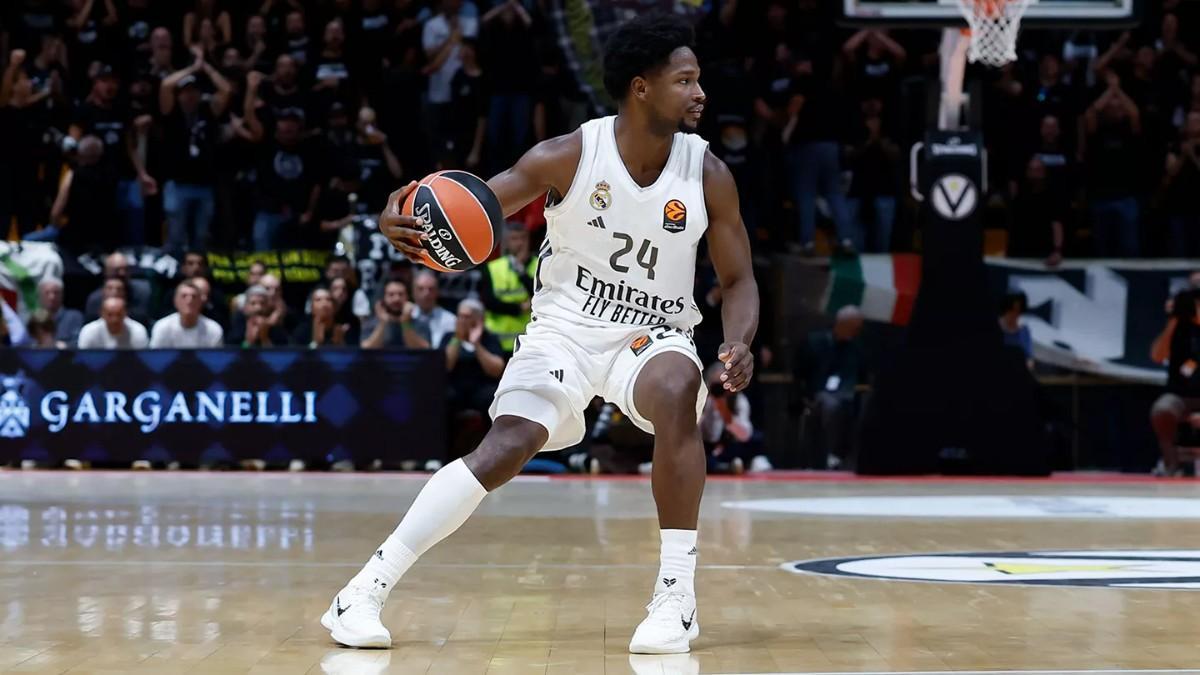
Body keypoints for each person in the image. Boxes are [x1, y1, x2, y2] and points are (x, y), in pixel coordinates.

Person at [323, 15, 758, 656]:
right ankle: (363, 591)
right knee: (507, 446)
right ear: (641, 88)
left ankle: (676, 597)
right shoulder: (568, 156)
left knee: (676, 385)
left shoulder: (707, 173)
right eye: (685, 80)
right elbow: (474, 206)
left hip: (654, 332)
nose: (700, 94)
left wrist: (739, 340)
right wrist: (407, 213)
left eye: (699, 80)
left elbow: (740, 278)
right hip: (565, 329)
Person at [1150, 281, 1200, 477]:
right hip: (1180, 396)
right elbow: (1157, 356)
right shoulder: (1178, 327)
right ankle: (1171, 465)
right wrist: (1172, 321)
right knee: (1163, 409)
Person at [481, 222, 535, 354]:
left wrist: (521, 272)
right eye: (514, 238)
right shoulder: (493, 267)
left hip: (529, 341)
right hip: (497, 341)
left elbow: (541, 296)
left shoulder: (540, 264)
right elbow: (489, 302)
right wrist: (519, 308)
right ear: (506, 242)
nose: (520, 243)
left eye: (523, 238)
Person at [149, 281, 224, 348]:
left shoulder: (214, 330)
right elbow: (155, 360)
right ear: (175, 301)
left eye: (194, 296)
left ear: (201, 302)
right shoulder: (162, 327)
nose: (189, 300)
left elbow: (215, 361)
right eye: (184, 296)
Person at [77, 297, 149, 349]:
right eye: (110, 314)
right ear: (102, 314)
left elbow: (143, 360)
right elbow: (84, 359)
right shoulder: (89, 331)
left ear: (125, 313)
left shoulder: (138, 331)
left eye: (119, 314)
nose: (115, 319)